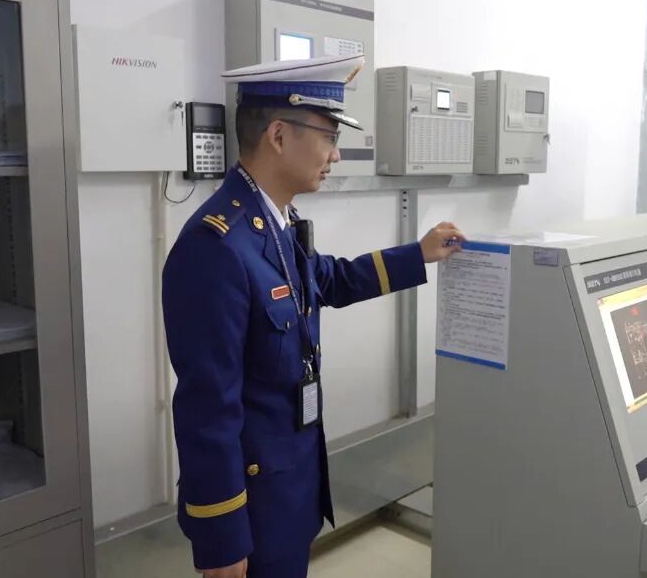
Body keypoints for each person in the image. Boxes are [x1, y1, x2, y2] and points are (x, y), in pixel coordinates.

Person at [161, 54, 465, 578]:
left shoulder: (274, 222)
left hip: (290, 488)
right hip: (251, 509)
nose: (336, 154)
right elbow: (207, 409)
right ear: (279, 136)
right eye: (328, 136)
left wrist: (417, 255)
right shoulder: (215, 248)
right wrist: (222, 539)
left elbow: (327, 279)